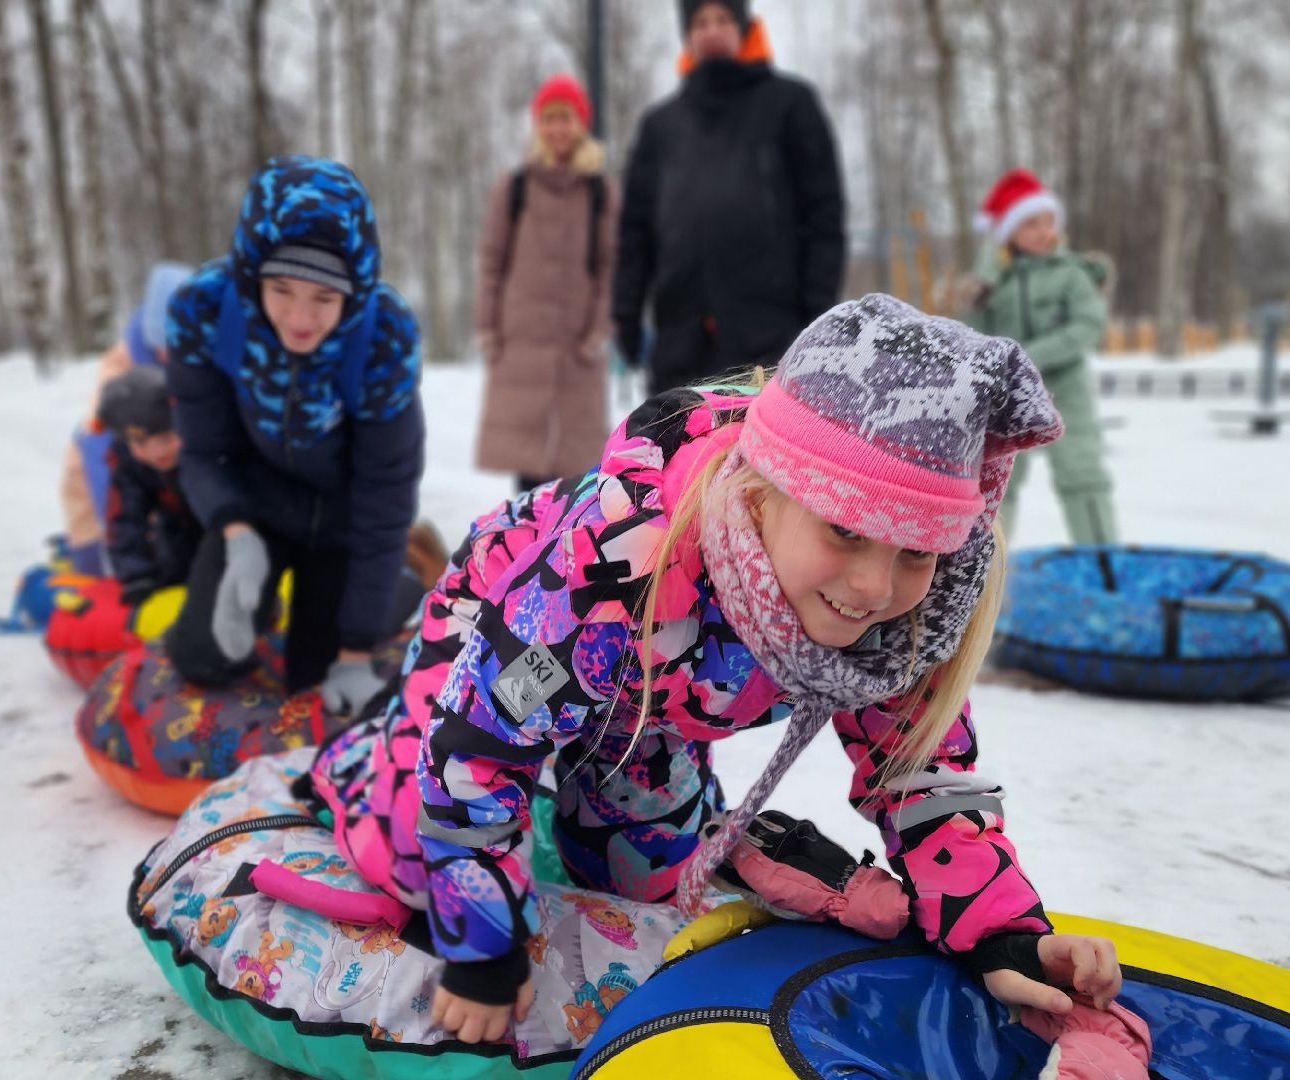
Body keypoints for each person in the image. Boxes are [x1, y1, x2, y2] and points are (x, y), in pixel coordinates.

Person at [311, 295, 1123, 1044]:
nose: (876, 586)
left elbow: (922, 770)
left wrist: (1006, 933)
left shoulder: (907, 611)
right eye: (844, 532)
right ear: (765, 496)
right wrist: (482, 945)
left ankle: (676, 813)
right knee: (416, 861)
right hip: (503, 624)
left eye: (915, 551)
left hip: (655, 710)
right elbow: (480, 743)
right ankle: (357, 762)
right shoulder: (615, 562)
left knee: (647, 880)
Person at [163, 156, 423, 717]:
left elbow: (386, 491)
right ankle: (259, 569)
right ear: (252, 274)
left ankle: (400, 587)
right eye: (282, 289)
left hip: (344, 521)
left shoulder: (383, 338)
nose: (300, 318)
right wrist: (235, 532)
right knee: (203, 656)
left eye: (324, 298)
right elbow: (204, 450)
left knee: (315, 682)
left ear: (351, 294)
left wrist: (355, 649)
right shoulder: (204, 311)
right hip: (255, 506)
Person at [611, 0, 847, 396]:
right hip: (679, 346)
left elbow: (824, 219)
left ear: (743, 28)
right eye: (700, 22)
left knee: (758, 458)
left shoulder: (791, 104)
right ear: (688, 35)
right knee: (681, 457)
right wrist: (627, 316)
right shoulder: (660, 125)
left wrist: (815, 320)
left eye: (722, 19)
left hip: (771, 343)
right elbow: (635, 234)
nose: (712, 30)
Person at [473, 73, 618, 493]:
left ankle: (564, 555)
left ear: (581, 125)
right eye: (550, 119)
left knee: (574, 476)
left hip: (578, 351)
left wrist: (598, 327)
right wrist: (487, 325)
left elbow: (610, 266)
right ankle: (524, 552)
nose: (559, 128)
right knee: (528, 471)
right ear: (539, 125)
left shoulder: (600, 192)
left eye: (567, 119)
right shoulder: (514, 187)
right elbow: (491, 261)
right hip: (522, 346)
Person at [962, 168, 1118, 544]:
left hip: (1065, 390)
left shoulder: (1072, 274)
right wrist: (978, 291)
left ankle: (1102, 563)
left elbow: (1087, 325)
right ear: (1009, 232)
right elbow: (975, 336)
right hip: (1009, 395)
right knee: (997, 481)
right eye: (1031, 223)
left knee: (1081, 474)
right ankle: (984, 568)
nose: (1045, 230)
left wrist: (1028, 356)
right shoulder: (997, 281)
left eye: (1049, 221)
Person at [60, 261, 194, 576]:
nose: (170, 357)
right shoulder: (124, 368)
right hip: (129, 458)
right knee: (89, 470)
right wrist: (118, 535)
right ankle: (94, 562)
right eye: (165, 348)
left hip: (178, 464)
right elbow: (99, 440)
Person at [96, 366, 202, 615]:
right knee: (167, 543)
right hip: (177, 527)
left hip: (221, 526)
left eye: (166, 437)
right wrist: (137, 575)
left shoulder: (203, 442)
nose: (158, 453)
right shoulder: (126, 461)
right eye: (141, 443)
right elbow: (124, 520)